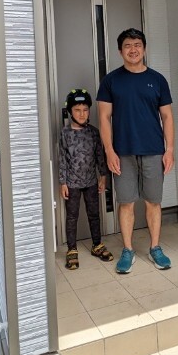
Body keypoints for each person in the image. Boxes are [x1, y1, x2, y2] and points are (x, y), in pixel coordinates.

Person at [97, 28, 174, 274]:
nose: (133, 49)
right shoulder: (111, 81)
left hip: (153, 150)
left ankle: (155, 247)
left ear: (144, 48)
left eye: (137, 44)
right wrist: (109, 151)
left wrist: (169, 149)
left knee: (154, 201)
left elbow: (167, 116)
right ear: (120, 51)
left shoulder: (158, 80)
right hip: (123, 152)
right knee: (126, 202)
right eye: (128, 45)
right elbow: (104, 117)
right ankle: (128, 250)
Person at [58, 88, 113, 271]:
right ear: (70, 112)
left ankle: (97, 245)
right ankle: (72, 249)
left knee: (94, 214)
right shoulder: (65, 133)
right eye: (77, 110)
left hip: (91, 181)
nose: (82, 114)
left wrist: (103, 176)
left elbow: (99, 156)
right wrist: (63, 182)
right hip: (72, 183)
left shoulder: (94, 132)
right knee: (72, 217)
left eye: (85, 110)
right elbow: (62, 159)